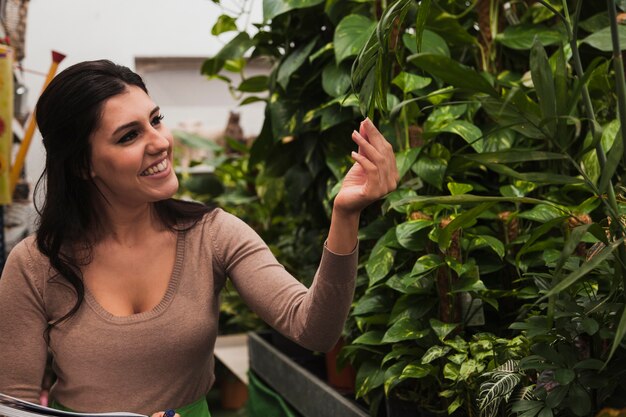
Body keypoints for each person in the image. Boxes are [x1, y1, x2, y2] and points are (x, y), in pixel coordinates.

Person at [0, 60, 399, 417]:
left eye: (156, 120)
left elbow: (313, 329)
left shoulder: (213, 234)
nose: (159, 142)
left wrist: (345, 214)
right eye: (128, 136)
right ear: (83, 165)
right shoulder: (36, 264)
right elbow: (11, 405)